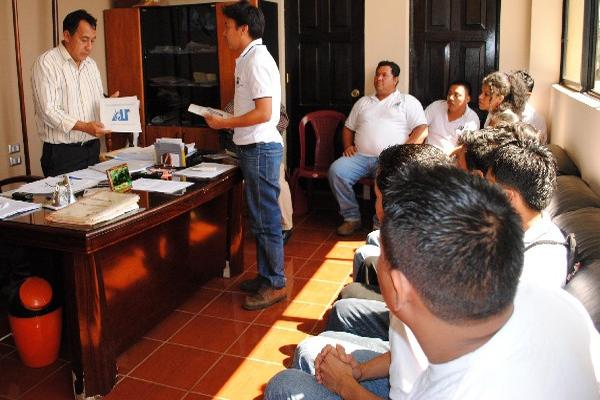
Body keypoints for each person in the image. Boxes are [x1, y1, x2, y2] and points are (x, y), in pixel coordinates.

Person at [265, 165, 600, 400]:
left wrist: (344, 385)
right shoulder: (555, 303)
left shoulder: (456, 389)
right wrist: (360, 373)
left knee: (283, 386)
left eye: (381, 254)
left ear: (399, 286)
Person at [204, 1, 285, 310]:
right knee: (259, 217)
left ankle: (276, 282)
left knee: (266, 218)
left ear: (243, 29)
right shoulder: (246, 58)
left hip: (261, 147)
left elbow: (266, 113)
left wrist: (225, 122)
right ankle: (267, 276)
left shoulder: (257, 61)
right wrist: (226, 118)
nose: (223, 33)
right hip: (252, 146)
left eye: (227, 27)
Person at [329, 61, 428, 236]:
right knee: (337, 171)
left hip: (389, 159)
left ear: (395, 79)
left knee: (389, 180)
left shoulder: (407, 101)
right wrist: (348, 145)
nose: (378, 78)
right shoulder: (363, 102)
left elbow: (422, 128)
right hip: (360, 157)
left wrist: (403, 151)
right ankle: (351, 218)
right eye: (377, 74)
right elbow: (348, 127)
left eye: (384, 75)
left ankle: (380, 224)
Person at [32, 9, 115, 177]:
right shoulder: (47, 63)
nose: (89, 47)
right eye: (84, 40)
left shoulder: (90, 65)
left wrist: (110, 105)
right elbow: (48, 111)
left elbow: (93, 101)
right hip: (62, 154)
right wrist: (84, 127)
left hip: (92, 149)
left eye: (93, 41)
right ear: (67, 35)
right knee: (69, 203)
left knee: (95, 201)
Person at [222, 101, 294, 244]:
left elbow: (283, 123)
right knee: (221, 178)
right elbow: (225, 120)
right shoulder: (236, 101)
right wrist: (233, 123)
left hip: (264, 152)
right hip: (235, 152)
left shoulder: (271, 99)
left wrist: (249, 123)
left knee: (278, 180)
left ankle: (285, 226)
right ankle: (225, 226)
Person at [424, 80, 480, 154]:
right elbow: (420, 127)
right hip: (425, 157)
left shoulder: (472, 119)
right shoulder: (436, 106)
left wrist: (443, 156)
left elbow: (464, 148)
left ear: (467, 99)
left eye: (456, 95)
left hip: (449, 161)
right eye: (449, 93)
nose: (450, 98)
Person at [513, 70, 548, 143]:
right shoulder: (497, 111)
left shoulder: (537, 120)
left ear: (528, 95)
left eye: (517, 92)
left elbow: (539, 148)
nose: (512, 94)